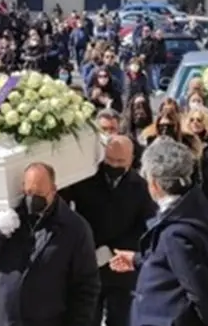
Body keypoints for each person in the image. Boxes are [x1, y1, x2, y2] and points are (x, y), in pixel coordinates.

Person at [0, 162, 100, 325]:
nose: (33, 199)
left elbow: (86, 286)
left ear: (53, 190)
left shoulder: (74, 228)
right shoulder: (8, 215)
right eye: (29, 192)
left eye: (39, 193)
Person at [112, 138, 208, 326]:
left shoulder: (176, 232)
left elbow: (200, 290)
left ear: (154, 184)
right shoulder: (191, 207)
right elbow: (170, 260)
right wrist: (137, 259)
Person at [60, 135, 156, 325]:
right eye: (110, 160)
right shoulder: (86, 180)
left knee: (120, 319)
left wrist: (113, 250)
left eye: (120, 161)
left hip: (121, 266)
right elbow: (63, 206)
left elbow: (145, 226)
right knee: (86, 317)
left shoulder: (140, 187)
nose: (113, 165)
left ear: (131, 159)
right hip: (89, 262)